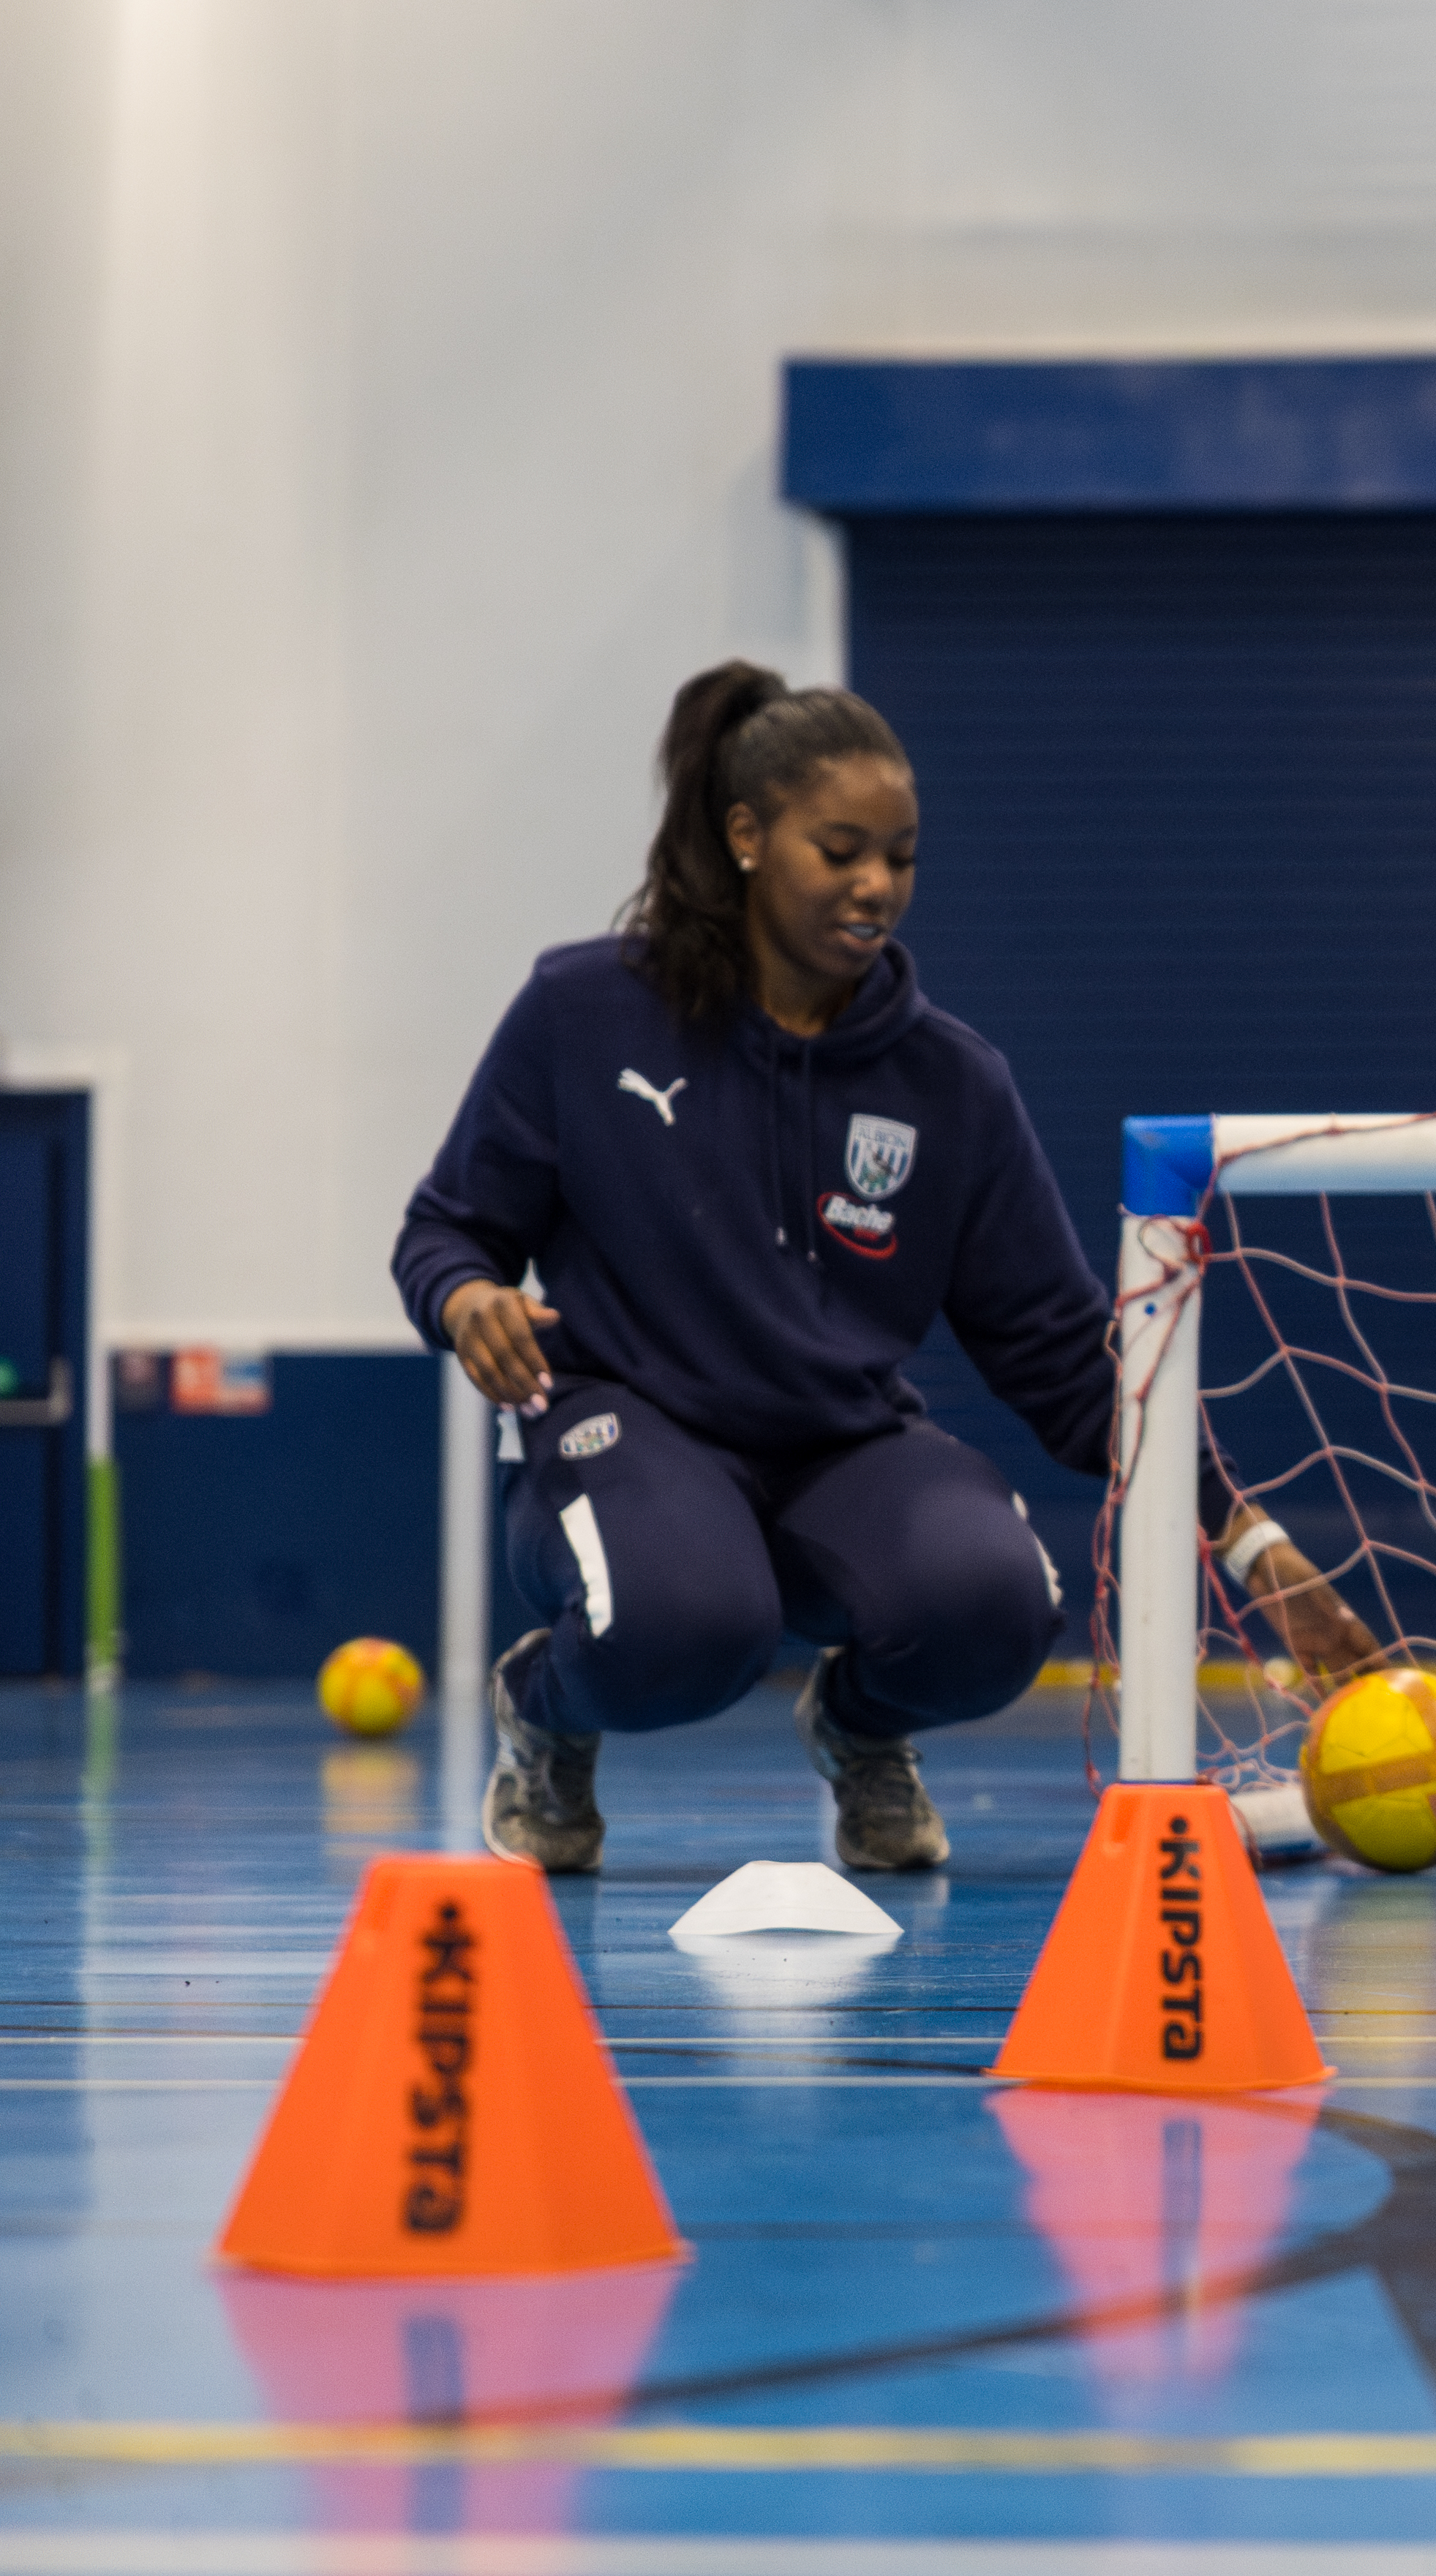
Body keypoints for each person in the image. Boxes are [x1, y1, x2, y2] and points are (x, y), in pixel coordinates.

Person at [396, 661, 1377, 1872]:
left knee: (994, 1607)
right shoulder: (584, 1010)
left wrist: (1244, 1538)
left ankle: (862, 1733)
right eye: (841, 849)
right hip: (625, 1424)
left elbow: (1068, 1362)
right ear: (748, 837)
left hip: (838, 1447)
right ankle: (544, 1716)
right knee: (689, 1626)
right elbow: (444, 1230)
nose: (876, 887)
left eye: (900, 857)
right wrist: (466, 1296)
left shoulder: (952, 1084)